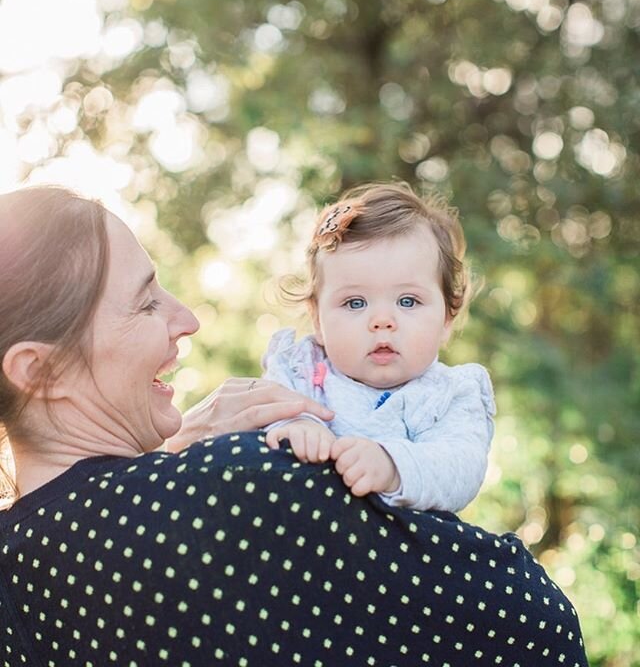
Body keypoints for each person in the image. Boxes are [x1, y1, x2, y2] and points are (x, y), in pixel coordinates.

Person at [0, 185, 589, 666]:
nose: (189, 318)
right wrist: (194, 464)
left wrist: (172, 453)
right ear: (41, 369)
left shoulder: (20, 571)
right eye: (147, 302)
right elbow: (539, 630)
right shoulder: (250, 488)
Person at [264, 182, 494, 513]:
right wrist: (297, 426)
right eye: (355, 302)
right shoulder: (299, 369)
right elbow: (264, 411)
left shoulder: (448, 395)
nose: (382, 320)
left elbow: (460, 467)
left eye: (407, 300)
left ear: (447, 316)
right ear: (317, 318)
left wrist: (391, 465)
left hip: (402, 554)